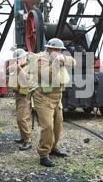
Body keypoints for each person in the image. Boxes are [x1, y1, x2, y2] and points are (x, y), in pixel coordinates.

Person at [31, 38, 75, 167]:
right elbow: (47, 76)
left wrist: (64, 59)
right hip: (43, 97)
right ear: (49, 49)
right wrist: (56, 62)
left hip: (57, 97)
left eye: (60, 50)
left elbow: (74, 62)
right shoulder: (41, 59)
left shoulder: (60, 56)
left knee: (58, 124)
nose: (57, 52)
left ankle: (54, 147)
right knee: (47, 127)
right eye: (55, 49)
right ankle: (44, 154)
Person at [7, 48, 33, 151]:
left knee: (22, 119)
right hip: (18, 95)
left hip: (25, 97)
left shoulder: (30, 67)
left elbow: (28, 81)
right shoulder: (16, 66)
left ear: (25, 57)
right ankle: (23, 137)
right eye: (17, 59)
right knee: (19, 118)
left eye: (20, 58)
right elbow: (7, 70)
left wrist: (19, 69)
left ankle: (28, 140)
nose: (18, 60)